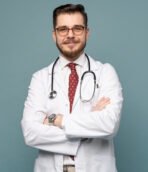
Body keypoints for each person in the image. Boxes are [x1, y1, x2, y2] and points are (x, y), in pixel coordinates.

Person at [21, 3, 123, 172]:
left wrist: (57, 120)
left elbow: (109, 124)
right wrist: (89, 124)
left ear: (87, 33)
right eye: (63, 29)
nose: (70, 35)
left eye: (77, 28)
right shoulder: (40, 78)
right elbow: (31, 133)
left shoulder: (105, 72)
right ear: (54, 35)